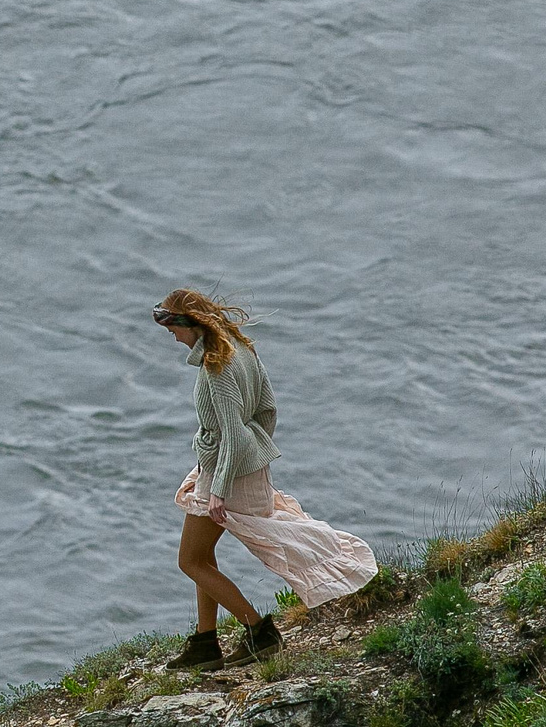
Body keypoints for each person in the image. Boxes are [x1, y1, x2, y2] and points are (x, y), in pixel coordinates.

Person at [151, 288, 377, 672]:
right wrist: (256, 449)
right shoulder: (242, 348)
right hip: (242, 465)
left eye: (173, 328)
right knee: (203, 557)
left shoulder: (216, 367)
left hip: (227, 471)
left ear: (191, 324)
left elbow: (234, 435)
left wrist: (219, 489)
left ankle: (260, 632)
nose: (172, 336)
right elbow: (267, 410)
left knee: (190, 561)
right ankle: (206, 643)